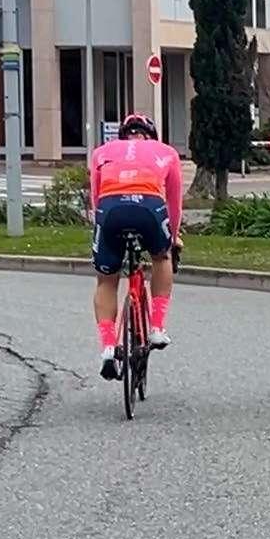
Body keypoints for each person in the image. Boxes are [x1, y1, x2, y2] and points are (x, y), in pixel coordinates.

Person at [87, 112, 183, 381]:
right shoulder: (166, 152)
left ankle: (108, 347)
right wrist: (173, 237)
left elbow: (97, 198)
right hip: (149, 206)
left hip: (110, 210)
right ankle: (156, 327)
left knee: (106, 281)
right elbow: (174, 203)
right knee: (161, 257)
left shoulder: (102, 152)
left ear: (122, 137)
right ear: (151, 136)